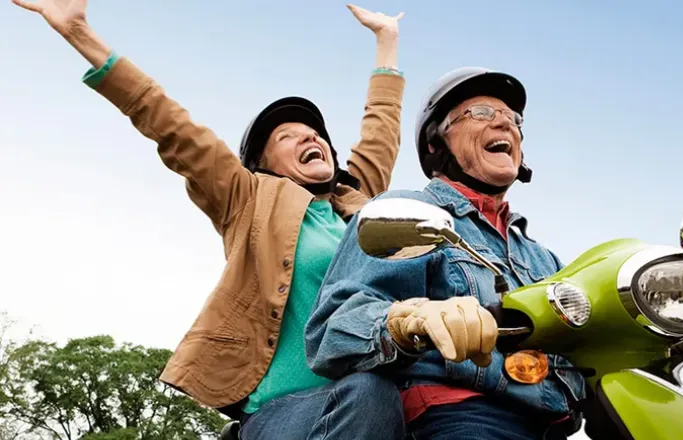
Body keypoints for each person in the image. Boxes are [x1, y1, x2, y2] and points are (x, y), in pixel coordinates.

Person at [13, 0, 407, 438]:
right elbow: (171, 125)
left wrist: (386, 41)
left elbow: (380, 134)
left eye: (315, 134)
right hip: (284, 412)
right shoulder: (247, 197)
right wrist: (79, 33)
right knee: (371, 392)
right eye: (287, 136)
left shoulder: (358, 206)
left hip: (367, 406)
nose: (309, 137)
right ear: (263, 165)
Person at [304, 66, 683, 439]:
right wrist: (411, 319)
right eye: (481, 113)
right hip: (459, 416)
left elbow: (597, 342)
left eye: (513, 118)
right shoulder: (412, 213)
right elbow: (332, 331)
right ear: (436, 143)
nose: (504, 124)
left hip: (551, 426)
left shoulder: (544, 260)